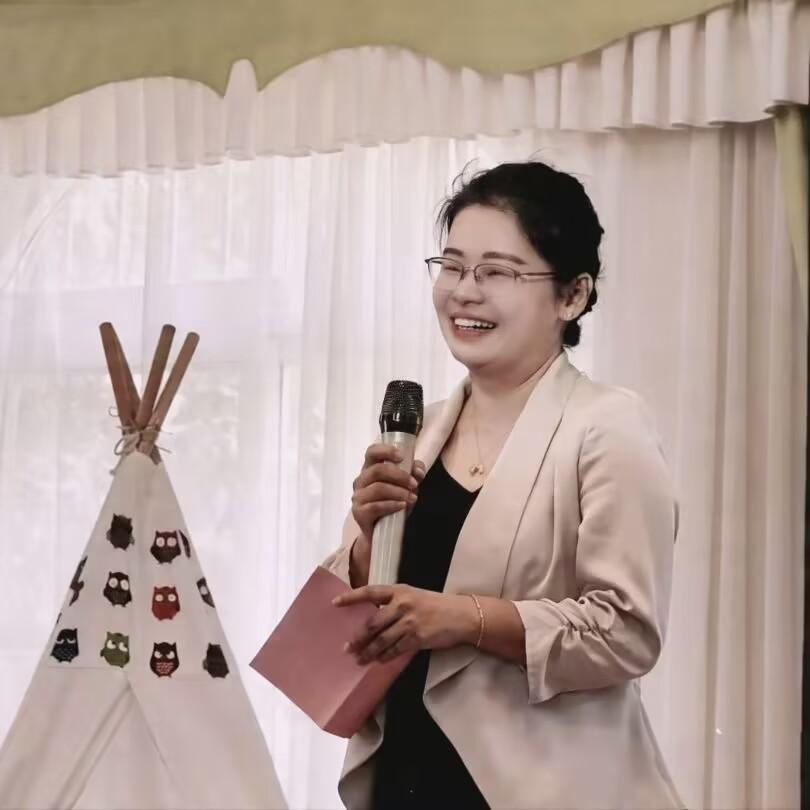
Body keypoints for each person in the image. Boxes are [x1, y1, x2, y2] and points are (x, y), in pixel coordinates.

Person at [323, 161, 683, 810]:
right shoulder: (416, 432)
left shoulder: (607, 427)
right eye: (453, 266)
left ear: (572, 296)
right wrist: (363, 550)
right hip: (405, 776)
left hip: (549, 789)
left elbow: (626, 631)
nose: (465, 292)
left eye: (497, 272)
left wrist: (463, 617)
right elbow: (356, 631)